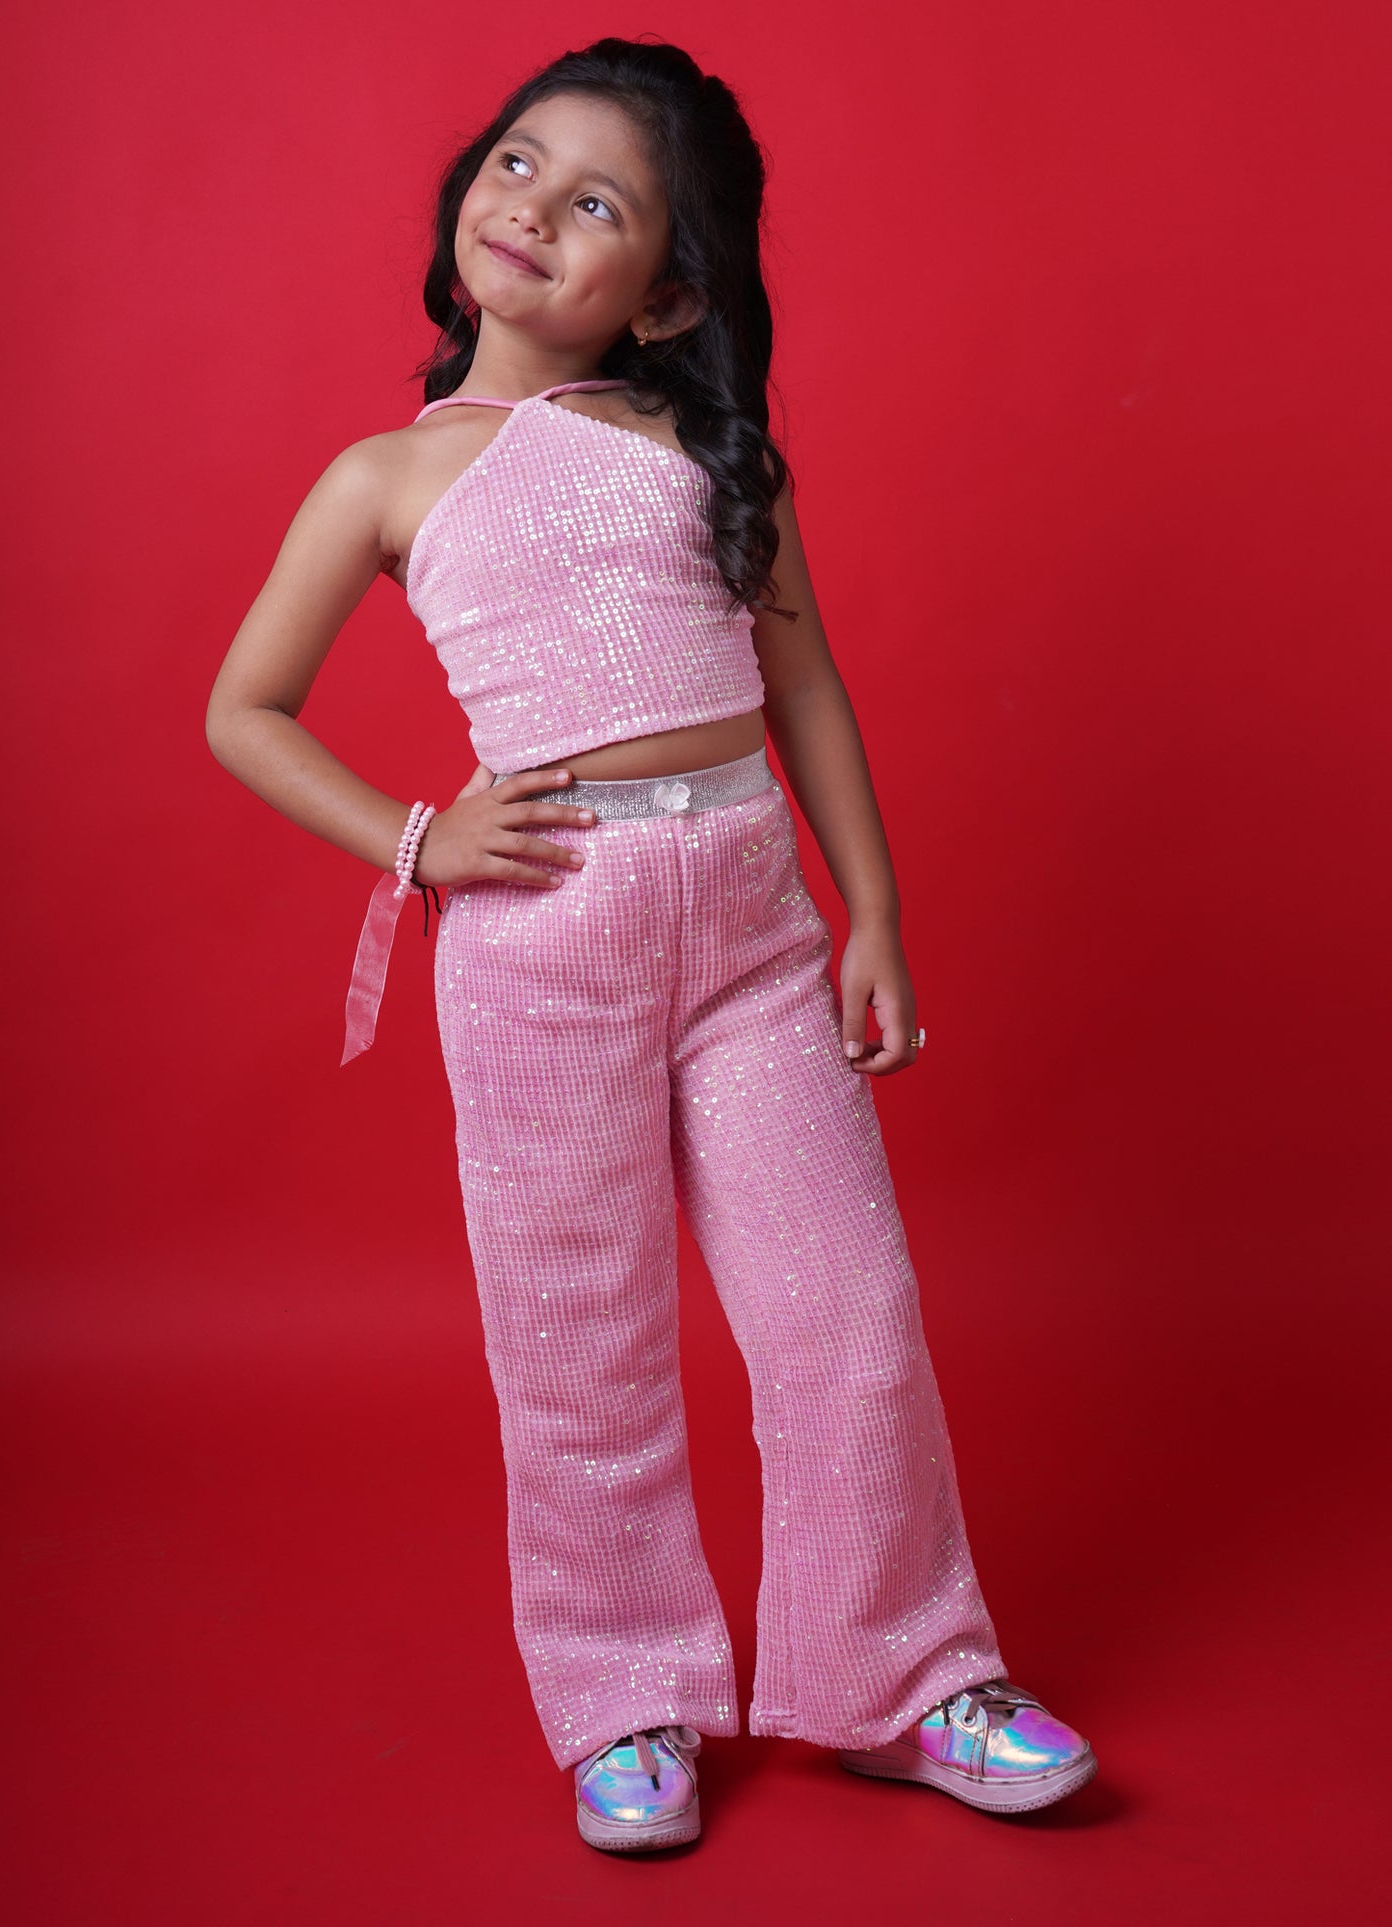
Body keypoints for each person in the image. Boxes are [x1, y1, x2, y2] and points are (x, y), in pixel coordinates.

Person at [206, 36, 1097, 1855]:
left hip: (757, 927)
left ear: (672, 288)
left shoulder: (710, 452)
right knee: (578, 1345)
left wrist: (876, 914)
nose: (529, 207)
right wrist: (416, 838)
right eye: (517, 164)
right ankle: (628, 1699)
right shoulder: (387, 475)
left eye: (595, 200)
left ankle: (906, 1675)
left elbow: (804, 688)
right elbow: (245, 709)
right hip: (546, 942)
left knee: (845, 1314)